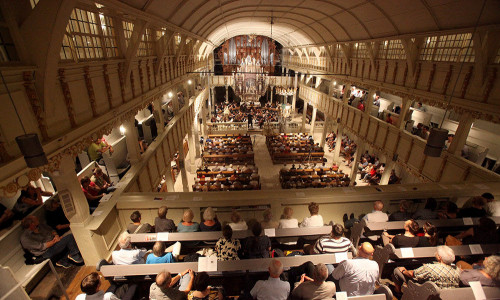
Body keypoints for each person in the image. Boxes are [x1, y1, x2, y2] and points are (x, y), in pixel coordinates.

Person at [393, 246, 460, 292]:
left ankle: (397, 292)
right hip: (449, 295)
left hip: (428, 293)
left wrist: (404, 271)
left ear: (439, 257)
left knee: (397, 270)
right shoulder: (457, 270)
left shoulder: (430, 268)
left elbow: (412, 274)